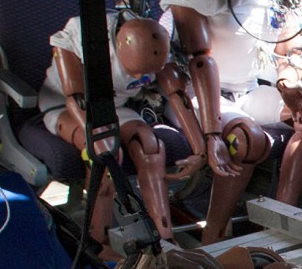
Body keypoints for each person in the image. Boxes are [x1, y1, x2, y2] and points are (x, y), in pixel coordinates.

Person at [161, 0, 302, 235]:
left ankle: (284, 220)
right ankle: (213, 234)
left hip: (247, 92)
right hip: (200, 97)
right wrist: (212, 135)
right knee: (246, 139)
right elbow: (199, 61)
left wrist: (288, 83)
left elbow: (289, 50)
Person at [42, 13, 200, 252]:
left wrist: (200, 148)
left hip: (116, 106)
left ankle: (164, 237)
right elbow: (76, 100)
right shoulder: (79, 38)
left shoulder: (153, 42)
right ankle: (99, 242)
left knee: (150, 146)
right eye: (135, 72)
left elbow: (176, 94)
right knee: (105, 156)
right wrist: (99, 140)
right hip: (65, 107)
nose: (139, 78)